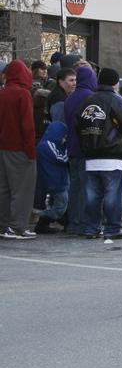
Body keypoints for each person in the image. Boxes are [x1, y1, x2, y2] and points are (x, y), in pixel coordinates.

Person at [79, 67, 122, 240]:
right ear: (115, 83)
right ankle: (112, 228)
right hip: (113, 154)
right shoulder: (116, 101)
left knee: (92, 196)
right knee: (113, 196)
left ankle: (91, 228)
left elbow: (78, 124)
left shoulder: (88, 100)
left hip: (90, 155)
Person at [0, 60, 38, 239]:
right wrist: (30, 151)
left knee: (4, 188)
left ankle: (4, 225)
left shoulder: (2, 93)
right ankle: (17, 227)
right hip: (19, 148)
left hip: (3, 147)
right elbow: (27, 126)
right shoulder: (23, 94)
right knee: (22, 189)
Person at [64, 65, 97, 235]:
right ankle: (84, 222)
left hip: (72, 147)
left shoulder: (70, 97)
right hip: (86, 147)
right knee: (87, 187)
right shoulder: (91, 97)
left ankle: (73, 222)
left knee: (75, 187)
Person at [33, 121, 70, 234]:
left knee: (60, 204)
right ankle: (43, 220)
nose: (64, 139)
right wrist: (69, 150)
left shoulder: (45, 143)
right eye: (64, 136)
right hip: (55, 181)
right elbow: (62, 158)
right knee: (60, 206)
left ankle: (59, 220)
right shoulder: (48, 145)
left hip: (53, 179)